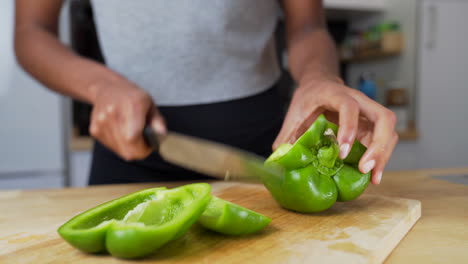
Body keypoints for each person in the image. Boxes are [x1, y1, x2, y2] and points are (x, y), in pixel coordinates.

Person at [14, 0, 397, 185]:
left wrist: (319, 78)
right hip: (128, 144)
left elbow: (308, 26)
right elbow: (32, 31)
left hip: (263, 151)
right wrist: (102, 86)